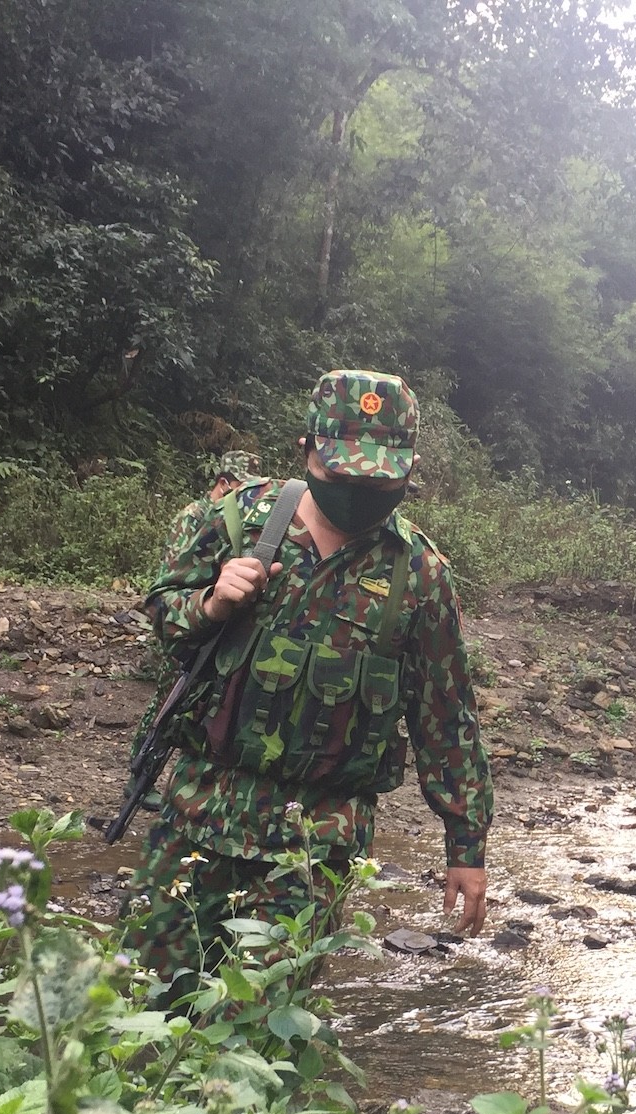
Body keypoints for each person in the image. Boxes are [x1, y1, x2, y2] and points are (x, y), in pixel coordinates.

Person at [128, 371, 493, 992]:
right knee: (144, 1003)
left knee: (258, 1032)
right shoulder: (232, 520)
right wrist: (211, 606)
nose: (360, 493)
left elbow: (446, 716)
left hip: (316, 843)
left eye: (380, 481)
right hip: (197, 816)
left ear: (408, 470)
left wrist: (466, 846)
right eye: (344, 475)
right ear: (307, 449)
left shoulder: (420, 575)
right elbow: (163, 613)